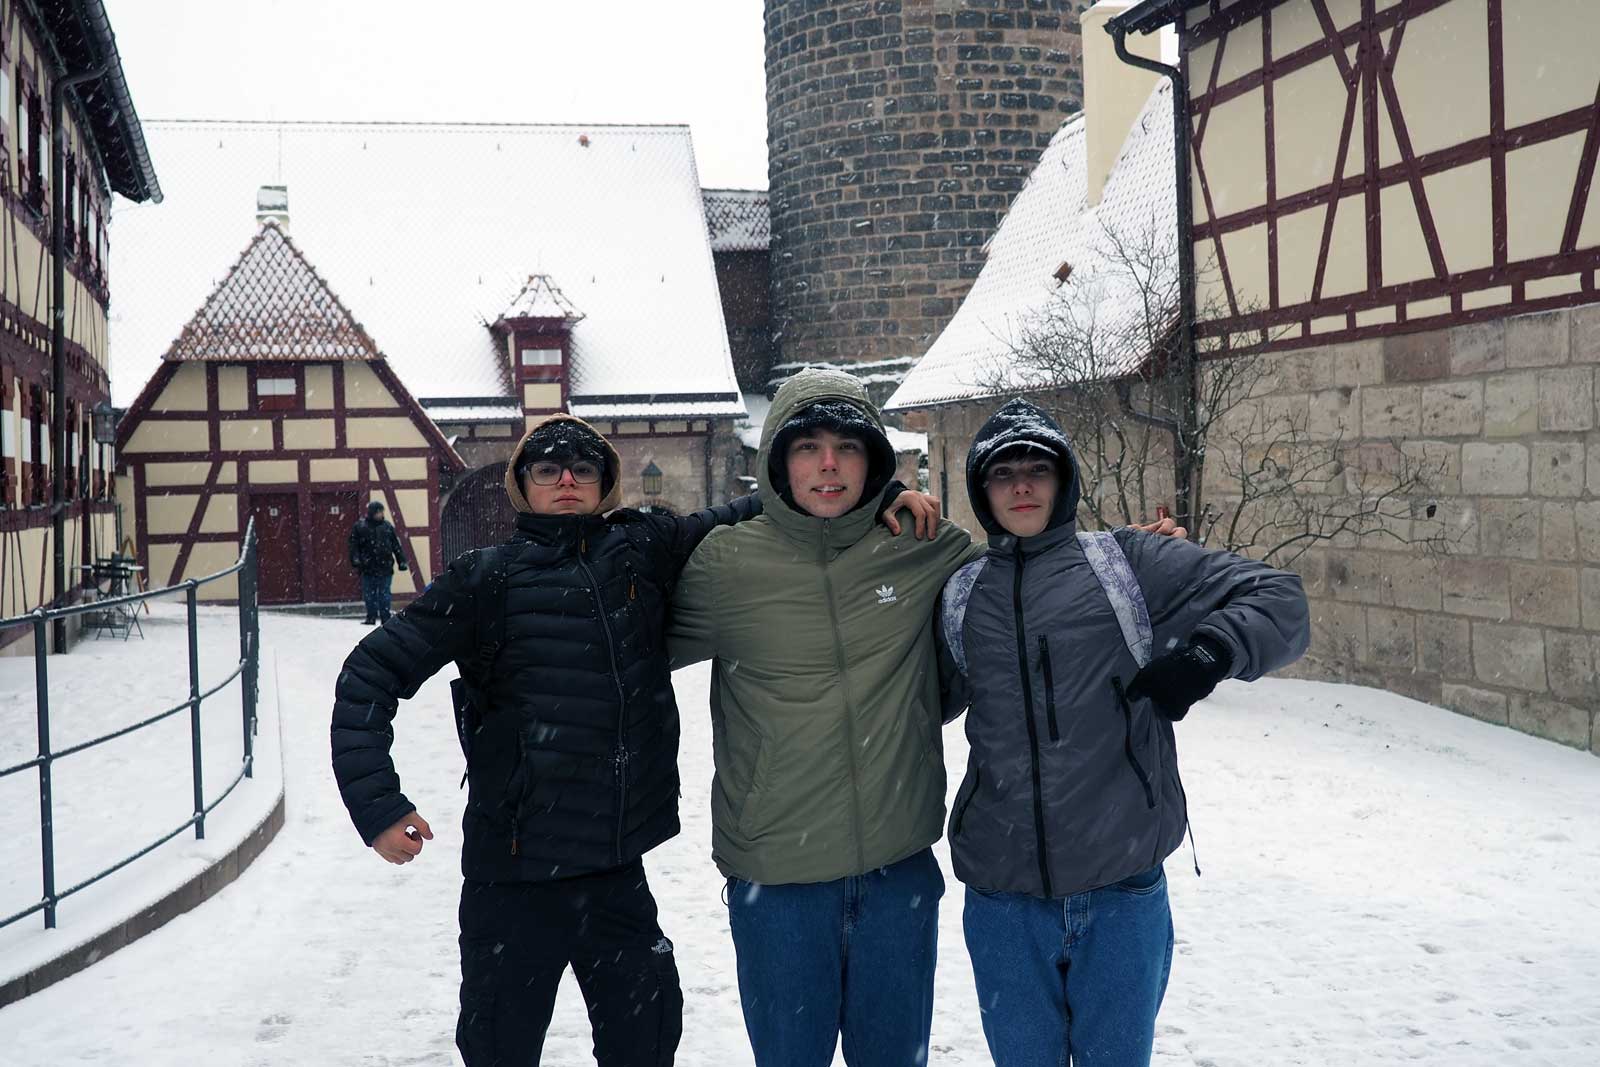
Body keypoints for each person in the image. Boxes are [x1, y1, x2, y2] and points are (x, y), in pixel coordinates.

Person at [329, 413, 938, 1067]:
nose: (567, 480)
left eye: (583, 468)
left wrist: (880, 493)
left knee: (646, 1038)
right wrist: (378, 804)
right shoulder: (484, 580)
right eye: (548, 469)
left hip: (614, 871)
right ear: (522, 486)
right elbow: (370, 673)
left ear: (606, 483)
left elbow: (764, 503)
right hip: (513, 876)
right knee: (500, 1046)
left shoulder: (641, 548)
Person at [666, 370, 1185, 1067]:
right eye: (808, 447)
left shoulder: (926, 547)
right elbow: (622, 647)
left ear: (875, 462)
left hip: (896, 875)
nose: (828, 465)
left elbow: (1026, 576)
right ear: (777, 463)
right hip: (778, 883)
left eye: (849, 448)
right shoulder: (723, 566)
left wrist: (1131, 557)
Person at [937, 398, 1311, 1067]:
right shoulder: (962, 592)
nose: (1021, 486)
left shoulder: (1126, 565)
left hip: (1119, 888)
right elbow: (919, 696)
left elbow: (1280, 598)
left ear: (1064, 479)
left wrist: (1206, 655)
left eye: (1037, 469)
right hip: (1002, 900)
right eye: (1002, 473)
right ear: (980, 489)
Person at [348, 499, 408, 624]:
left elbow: (396, 546)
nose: (381, 514)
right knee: (369, 595)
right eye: (379, 512)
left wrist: (401, 561)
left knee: (384, 594)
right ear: (372, 512)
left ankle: (385, 618)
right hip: (368, 567)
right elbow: (354, 546)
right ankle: (371, 617)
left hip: (385, 567)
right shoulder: (360, 527)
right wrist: (356, 559)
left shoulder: (387, 527)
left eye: (381, 511)